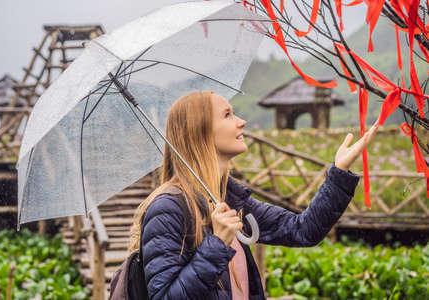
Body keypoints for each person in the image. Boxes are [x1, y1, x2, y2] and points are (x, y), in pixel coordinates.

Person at [128, 90, 378, 300]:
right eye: (227, 115)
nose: (241, 121)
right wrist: (216, 244)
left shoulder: (230, 198)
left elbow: (302, 230)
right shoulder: (167, 209)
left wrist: (339, 172)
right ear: (200, 131)